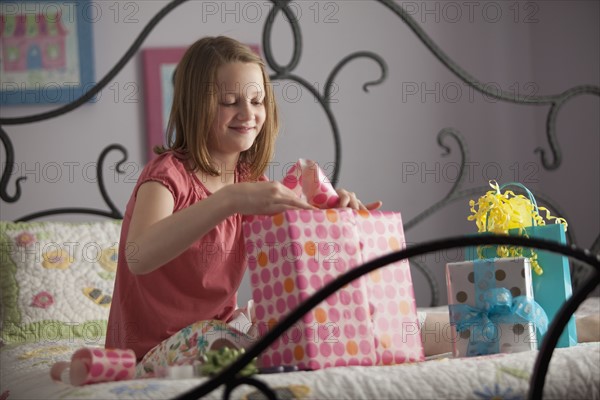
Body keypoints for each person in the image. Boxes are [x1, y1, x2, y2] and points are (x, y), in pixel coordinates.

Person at [105, 36, 381, 373]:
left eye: (256, 100)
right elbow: (138, 256)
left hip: (221, 333)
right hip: (151, 350)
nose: (247, 113)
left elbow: (305, 252)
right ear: (196, 104)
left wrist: (337, 215)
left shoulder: (249, 182)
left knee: (291, 329)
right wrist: (229, 200)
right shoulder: (167, 177)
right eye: (229, 101)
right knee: (227, 342)